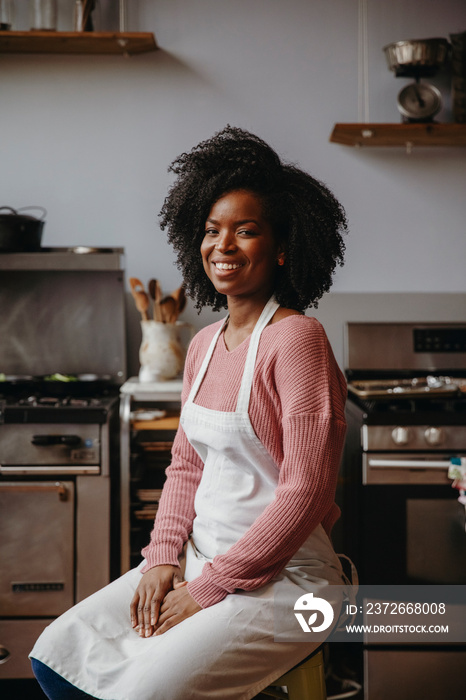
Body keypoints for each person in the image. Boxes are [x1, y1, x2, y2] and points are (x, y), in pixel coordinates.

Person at [30, 125, 350, 700]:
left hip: (291, 586)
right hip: (203, 561)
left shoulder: (298, 339)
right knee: (58, 655)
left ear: (281, 248)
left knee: (140, 693)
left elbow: (305, 493)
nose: (222, 245)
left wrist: (208, 589)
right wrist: (160, 561)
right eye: (211, 231)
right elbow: (185, 467)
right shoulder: (202, 345)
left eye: (245, 231)